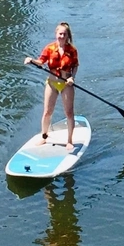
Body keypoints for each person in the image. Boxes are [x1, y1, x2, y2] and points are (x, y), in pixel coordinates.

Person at [24, 22, 79, 151]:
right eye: (60, 34)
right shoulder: (49, 48)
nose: (61, 36)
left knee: (69, 112)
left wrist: (72, 77)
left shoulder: (72, 50)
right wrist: (31, 60)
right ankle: (44, 136)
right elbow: (41, 61)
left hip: (66, 84)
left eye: (64, 34)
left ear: (67, 36)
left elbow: (75, 65)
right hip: (52, 83)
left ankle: (69, 141)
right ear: (56, 34)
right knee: (47, 111)